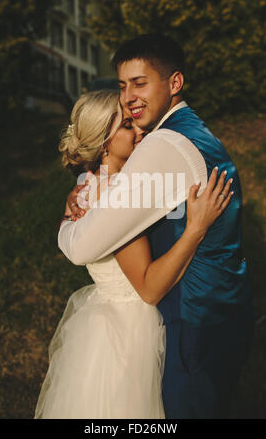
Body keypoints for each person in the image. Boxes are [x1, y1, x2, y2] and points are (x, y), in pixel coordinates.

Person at [60, 34, 254, 419]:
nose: (129, 97)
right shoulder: (195, 131)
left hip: (191, 323)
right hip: (217, 314)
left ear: (174, 83)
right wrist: (79, 200)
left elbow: (80, 247)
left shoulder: (161, 146)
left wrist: (69, 219)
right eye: (123, 86)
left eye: (140, 83)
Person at [34, 89, 233, 419]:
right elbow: (149, 288)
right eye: (126, 125)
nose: (140, 130)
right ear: (103, 142)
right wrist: (197, 227)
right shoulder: (116, 197)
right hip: (130, 331)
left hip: (103, 318)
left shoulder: (87, 185)